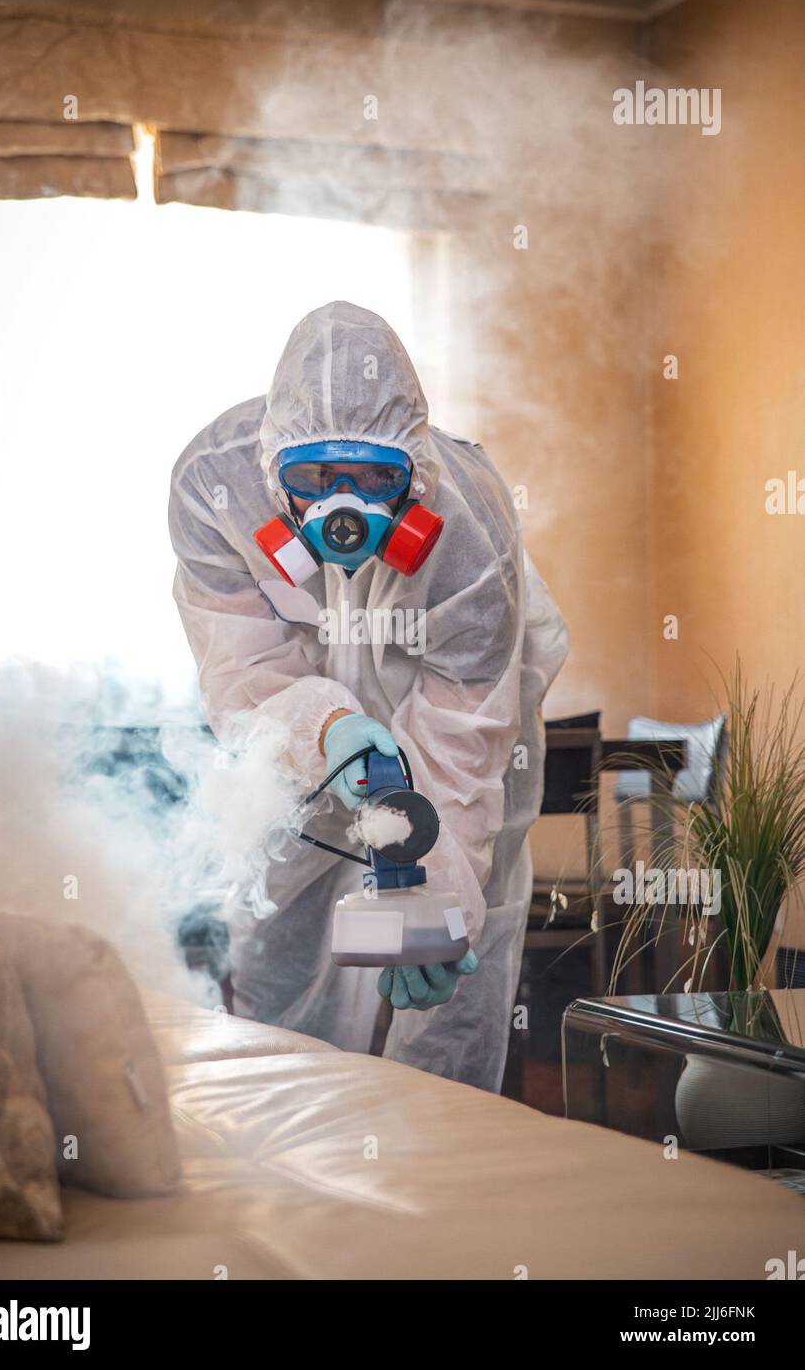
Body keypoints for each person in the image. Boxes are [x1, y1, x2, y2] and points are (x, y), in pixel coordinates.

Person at [169, 301, 567, 1092]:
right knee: (277, 935)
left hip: (457, 717)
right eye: (314, 476)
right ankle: (284, 1125)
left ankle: (439, 1172)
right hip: (296, 744)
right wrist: (325, 728)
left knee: (450, 965)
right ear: (269, 467)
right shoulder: (214, 489)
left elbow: (459, 761)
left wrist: (435, 909)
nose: (342, 509)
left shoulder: (467, 537)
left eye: (374, 479)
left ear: (414, 474)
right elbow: (244, 677)